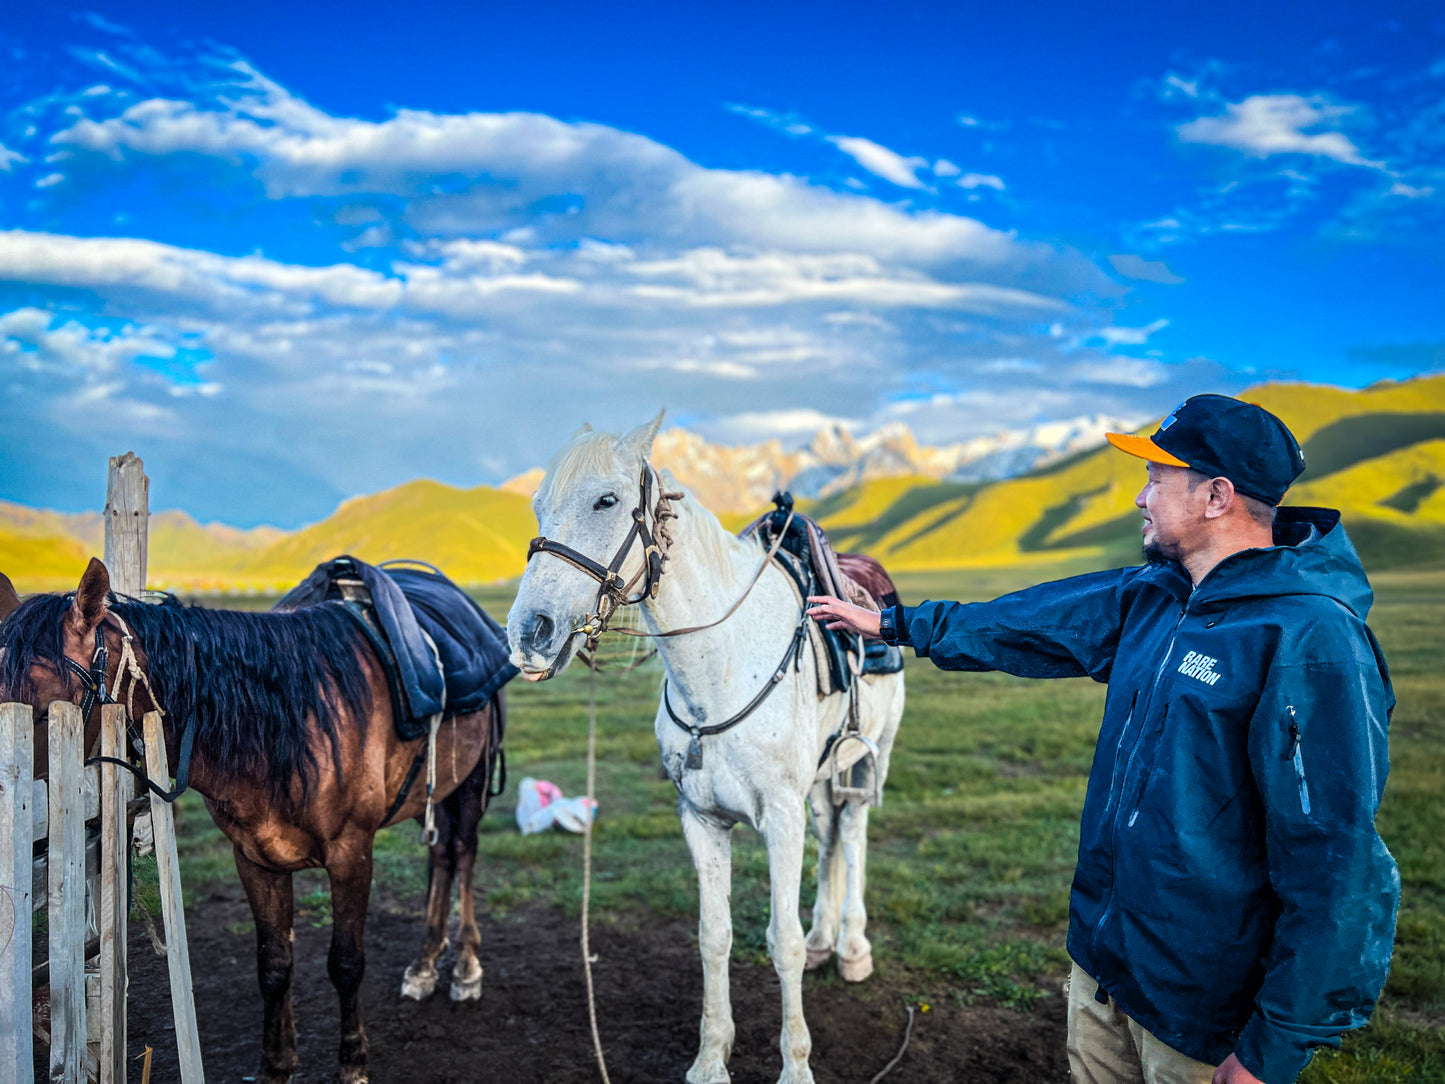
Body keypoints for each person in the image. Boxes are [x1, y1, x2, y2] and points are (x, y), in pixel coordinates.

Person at [807, 394, 1399, 1084]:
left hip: (1198, 1015)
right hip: (1101, 968)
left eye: (1155, 478)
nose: (1138, 499)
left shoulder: (1308, 639)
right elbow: (1026, 621)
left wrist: (1274, 1049)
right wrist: (897, 626)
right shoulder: (1155, 596)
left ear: (1215, 496)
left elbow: (1336, 859)